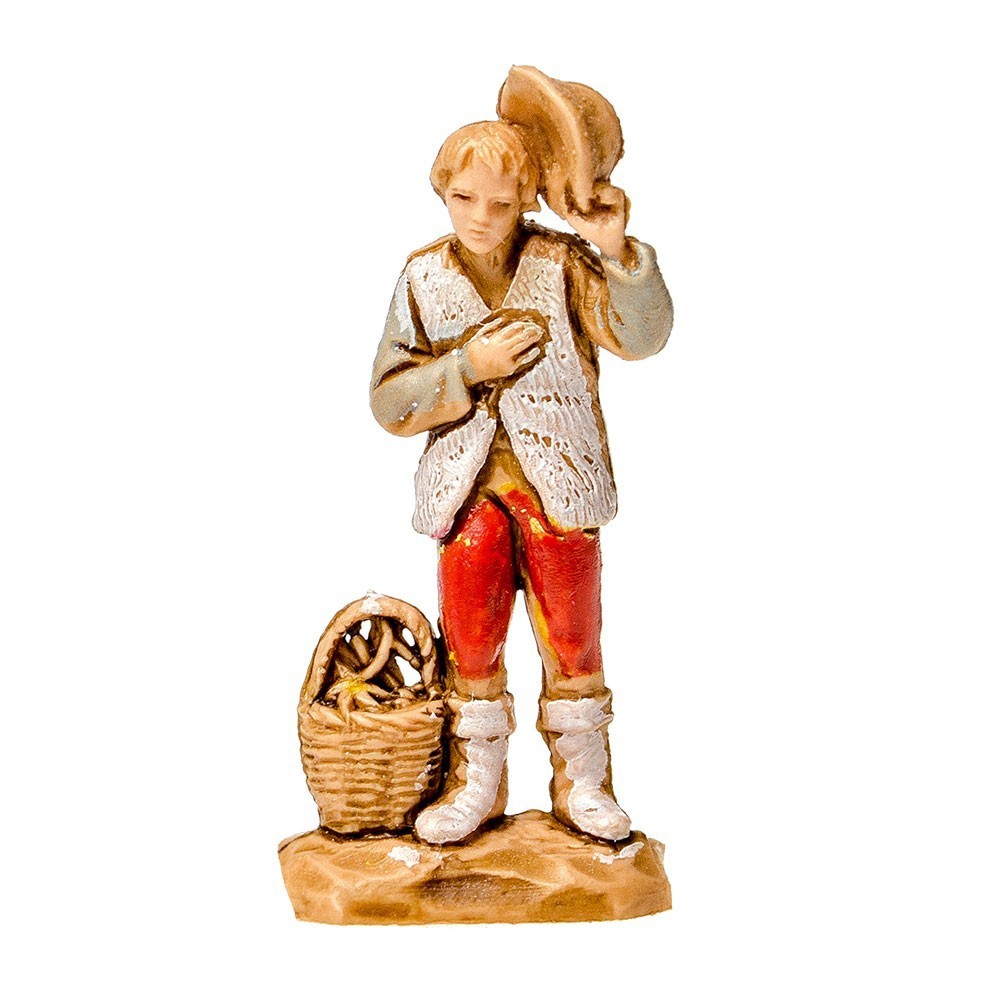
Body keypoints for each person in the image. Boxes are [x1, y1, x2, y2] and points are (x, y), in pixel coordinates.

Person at [370, 118, 673, 844]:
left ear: (528, 200)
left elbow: (642, 336)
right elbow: (389, 400)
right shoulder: (424, 278)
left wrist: (615, 252)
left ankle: (584, 778)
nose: (480, 217)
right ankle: (476, 779)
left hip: (559, 487)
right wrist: (466, 368)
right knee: (470, 634)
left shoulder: (560, 264)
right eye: (464, 198)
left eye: (501, 204)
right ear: (442, 191)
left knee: (572, 631)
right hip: (467, 491)